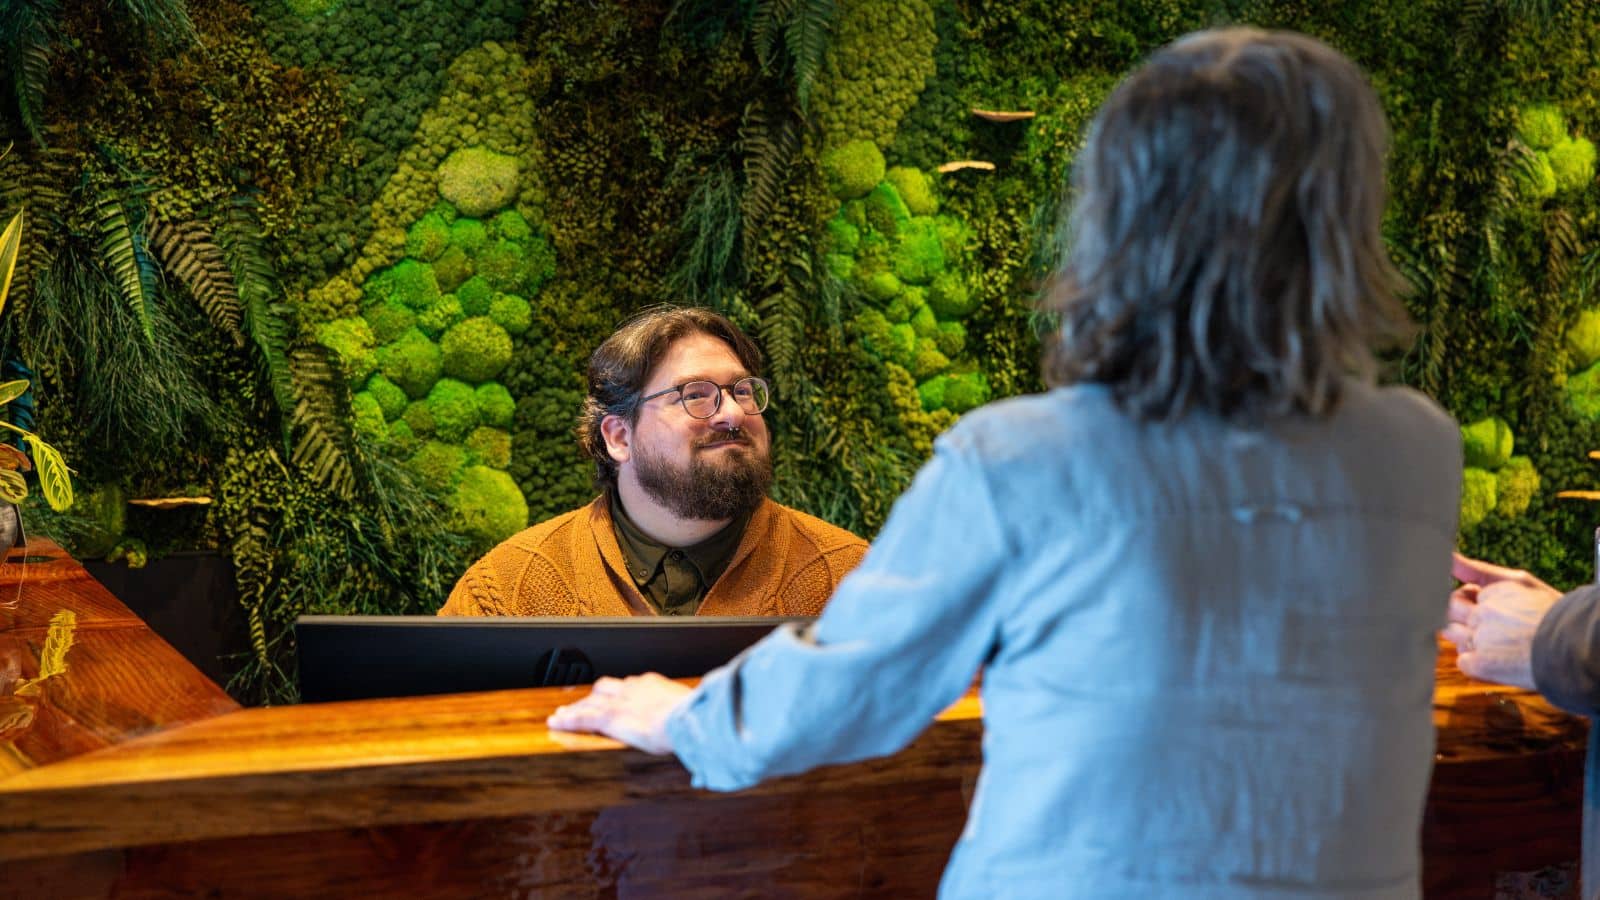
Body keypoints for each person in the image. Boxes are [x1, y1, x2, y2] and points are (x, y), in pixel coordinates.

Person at [550, 27, 1464, 898]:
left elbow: (854, 685)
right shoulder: (1417, 449)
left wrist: (676, 717)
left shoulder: (1027, 457)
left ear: (1118, 216)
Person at [439, 306, 867, 617]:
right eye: (695, 395)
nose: (733, 413)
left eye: (742, 391)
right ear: (619, 437)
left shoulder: (852, 580)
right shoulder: (508, 592)